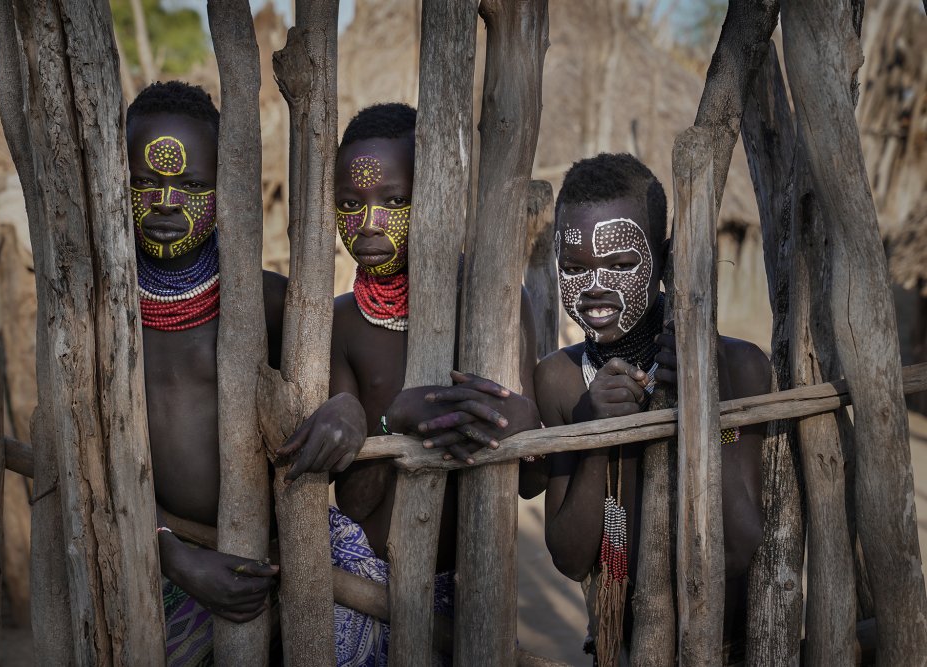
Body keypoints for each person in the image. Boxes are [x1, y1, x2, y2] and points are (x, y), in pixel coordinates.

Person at [275, 103, 541, 665]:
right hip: (363, 583)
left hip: (469, 587)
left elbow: (531, 479)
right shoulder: (341, 323)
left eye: (395, 202)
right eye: (351, 204)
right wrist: (391, 418)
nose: (369, 222)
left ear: (436, 198)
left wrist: (514, 419)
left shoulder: (496, 303)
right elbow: (357, 500)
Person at [534, 154, 766, 666]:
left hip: (727, 649)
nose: (595, 286)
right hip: (621, 648)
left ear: (663, 261)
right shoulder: (560, 379)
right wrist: (595, 433)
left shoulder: (741, 366)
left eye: (620, 265)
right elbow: (571, 558)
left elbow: (737, 548)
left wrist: (714, 396)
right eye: (574, 268)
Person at [128, 81, 287, 665]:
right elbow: (87, 453)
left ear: (226, 188)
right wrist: (173, 556)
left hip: (269, 564)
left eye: (192, 186)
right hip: (152, 557)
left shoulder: (271, 303)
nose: (166, 202)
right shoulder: (98, 315)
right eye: (145, 183)